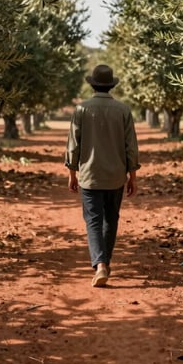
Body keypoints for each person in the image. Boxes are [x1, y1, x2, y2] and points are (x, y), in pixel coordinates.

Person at [65, 64, 141, 287]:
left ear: (93, 85)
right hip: (116, 176)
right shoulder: (123, 110)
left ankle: (100, 265)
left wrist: (72, 173)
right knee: (111, 219)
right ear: (111, 86)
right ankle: (105, 263)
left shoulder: (81, 110)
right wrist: (133, 177)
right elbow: (131, 147)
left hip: (90, 176)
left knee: (93, 221)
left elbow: (73, 145)